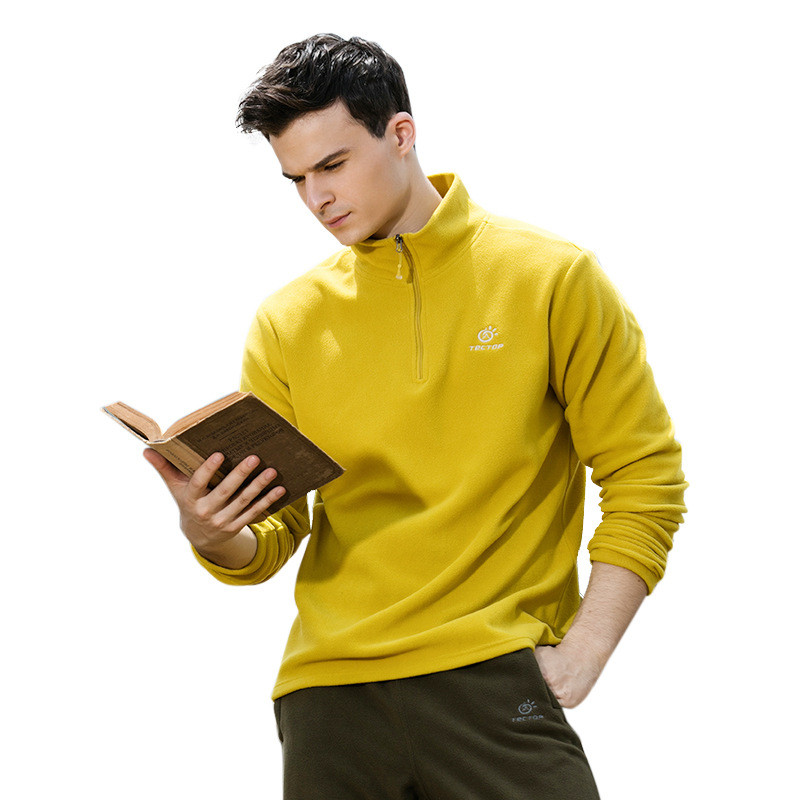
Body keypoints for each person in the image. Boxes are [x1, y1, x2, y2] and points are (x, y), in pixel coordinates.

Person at [144, 33, 688, 800]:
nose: (317, 198)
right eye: (296, 179)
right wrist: (210, 533)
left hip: (493, 678)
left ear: (400, 134)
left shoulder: (549, 277)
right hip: (329, 699)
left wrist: (584, 654)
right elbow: (274, 536)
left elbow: (645, 477)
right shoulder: (288, 321)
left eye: (333, 165)